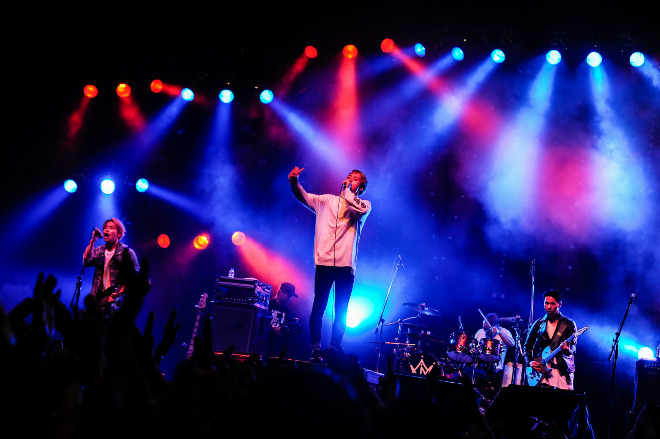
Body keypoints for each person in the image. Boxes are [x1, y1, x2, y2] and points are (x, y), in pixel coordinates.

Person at [288, 166, 372, 361]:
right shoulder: (327, 201)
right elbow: (304, 197)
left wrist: (348, 191)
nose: (350, 178)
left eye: (355, 179)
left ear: (360, 187)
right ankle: (315, 349)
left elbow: (358, 207)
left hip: (345, 266)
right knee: (319, 306)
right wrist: (294, 181)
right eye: (349, 176)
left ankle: (334, 347)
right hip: (324, 262)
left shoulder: (364, 205)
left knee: (341, 309)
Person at [83, 217, 140, 315]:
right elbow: (87, 262)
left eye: (111, 227)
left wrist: (120, 292)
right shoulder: (99, 250)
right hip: (98, 298)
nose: (106, 229)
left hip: (116, 301)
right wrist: (93, 241)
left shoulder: (127, 252)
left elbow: (135, 276)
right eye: (105, 227)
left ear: (119, 233)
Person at [524, 289, 577, 390]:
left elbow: (572, 349)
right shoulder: (539, 324)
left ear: (559, 304)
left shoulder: (568, 324)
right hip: (543, 371)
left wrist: (567, 350)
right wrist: (530, 362)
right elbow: (528, 345)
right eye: (546, 303)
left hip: (561, 370)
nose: (548, 307)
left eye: (552, 304)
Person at [267, 282, 301, 358]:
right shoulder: (268, 305)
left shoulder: (287, 311)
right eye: (289, 295)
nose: (290, 298)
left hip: (276, 349)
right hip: (263, 344)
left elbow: (285, 329)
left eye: (291, 296)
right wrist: (272, 328)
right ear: (281, 292)